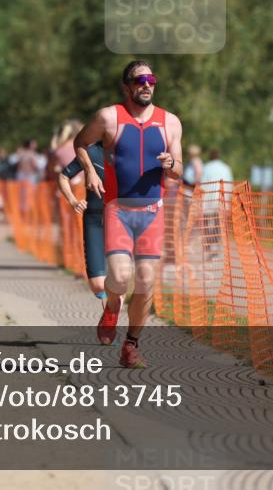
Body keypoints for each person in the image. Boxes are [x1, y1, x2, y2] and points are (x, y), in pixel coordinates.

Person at [74, 60, 183, 368]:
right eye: (139, 80)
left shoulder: (170, 123)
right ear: (127, 87)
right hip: (118, 210)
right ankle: (112, 306)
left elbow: (179, 170)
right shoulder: (109, 118)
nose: (147, 84)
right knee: (120, 279)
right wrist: (89, 172)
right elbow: (80, 142)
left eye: (151, 79)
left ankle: (131, 345)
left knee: (147, 282)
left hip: (153, 212)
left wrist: (170, 166)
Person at [58, 141, 109, 305]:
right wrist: (73, 201)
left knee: (118, 278)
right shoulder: (92, 152)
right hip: (95, 219)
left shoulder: (133, 148)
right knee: (98, 284)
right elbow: (63, 176)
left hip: (123, 219)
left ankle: (113, 321)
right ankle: (111, 311)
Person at [200, 148, 234, 263]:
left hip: (208, 199)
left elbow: (202, 184)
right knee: (218, 224)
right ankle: (215, 247)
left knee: (207, 224)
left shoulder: (206, 167)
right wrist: (228, 200)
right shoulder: (226, 168)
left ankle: (209, 247)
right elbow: (229, 185)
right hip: (221, 199)